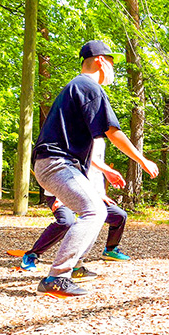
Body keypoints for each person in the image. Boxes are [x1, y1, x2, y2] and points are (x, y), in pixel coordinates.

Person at [32, 40, 159, 297]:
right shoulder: (89, 86)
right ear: (101, 61)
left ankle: (75, 266)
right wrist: (142, 160)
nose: (113, 70)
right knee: (94, 211)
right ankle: (56, 277)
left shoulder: (77, 87)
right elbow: (113, 133)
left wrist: (103, 171)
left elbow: (81, 140)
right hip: (57, 163)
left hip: (56, 163)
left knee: (94, 210)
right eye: (112, 63)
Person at [21, 138, 131, 279]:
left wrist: (100, 194)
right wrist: (59, 196)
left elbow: (95, 172)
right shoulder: (73, 135)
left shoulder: (99, 141)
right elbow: (61, 169)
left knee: (118, 216)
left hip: (87, 193)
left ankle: (109, 250)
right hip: (60, 190)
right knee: (66, 221)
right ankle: (32, 255)